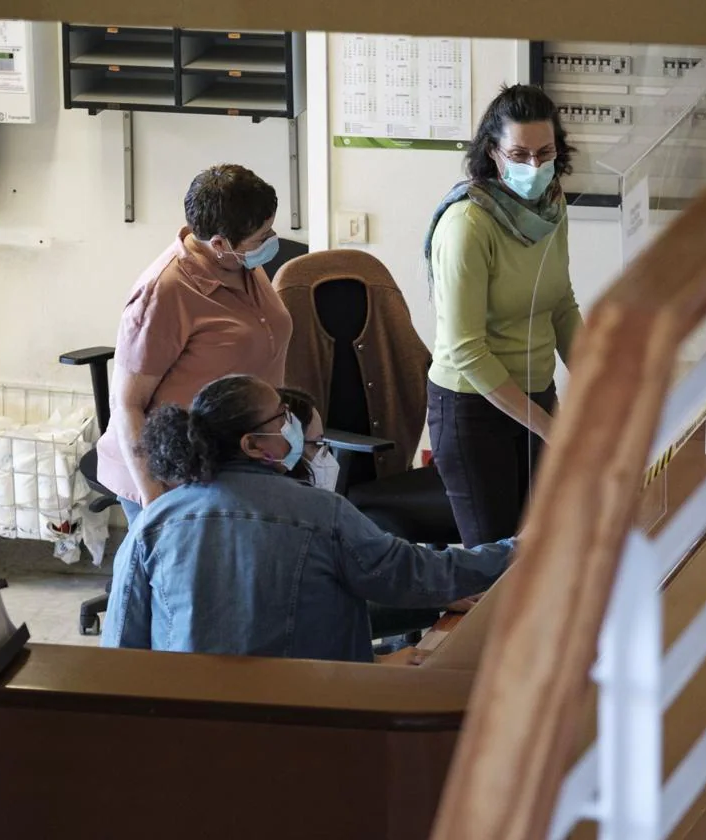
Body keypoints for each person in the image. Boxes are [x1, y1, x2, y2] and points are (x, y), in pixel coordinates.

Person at [100, 375, 514, 663]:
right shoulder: (322, 514)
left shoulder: (152, 525)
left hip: (189, 727)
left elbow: (121, 649)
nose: (293, 423)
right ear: (254, 445)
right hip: (307, 716)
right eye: (282, 416)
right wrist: (519, 549)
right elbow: (416, 573)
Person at [424, 84, 584, 547]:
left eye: (545, 152)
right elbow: (467, 351)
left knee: (546, 548)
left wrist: (600, 388)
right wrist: (550, 426)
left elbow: (561, 305)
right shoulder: (467, 225)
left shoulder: (553, 208)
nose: (535, 166)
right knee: (496, 565)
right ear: (494, 154)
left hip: (535, 395)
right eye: (520, 153)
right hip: (474, 408)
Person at [96, 164, 293, 525]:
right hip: (175, 478)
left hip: (231, 465)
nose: (270, 243)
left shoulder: (240, 265)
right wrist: (156, 503)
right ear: (219, 244)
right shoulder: (165, 292)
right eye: (261, 238)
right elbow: (128, 403)